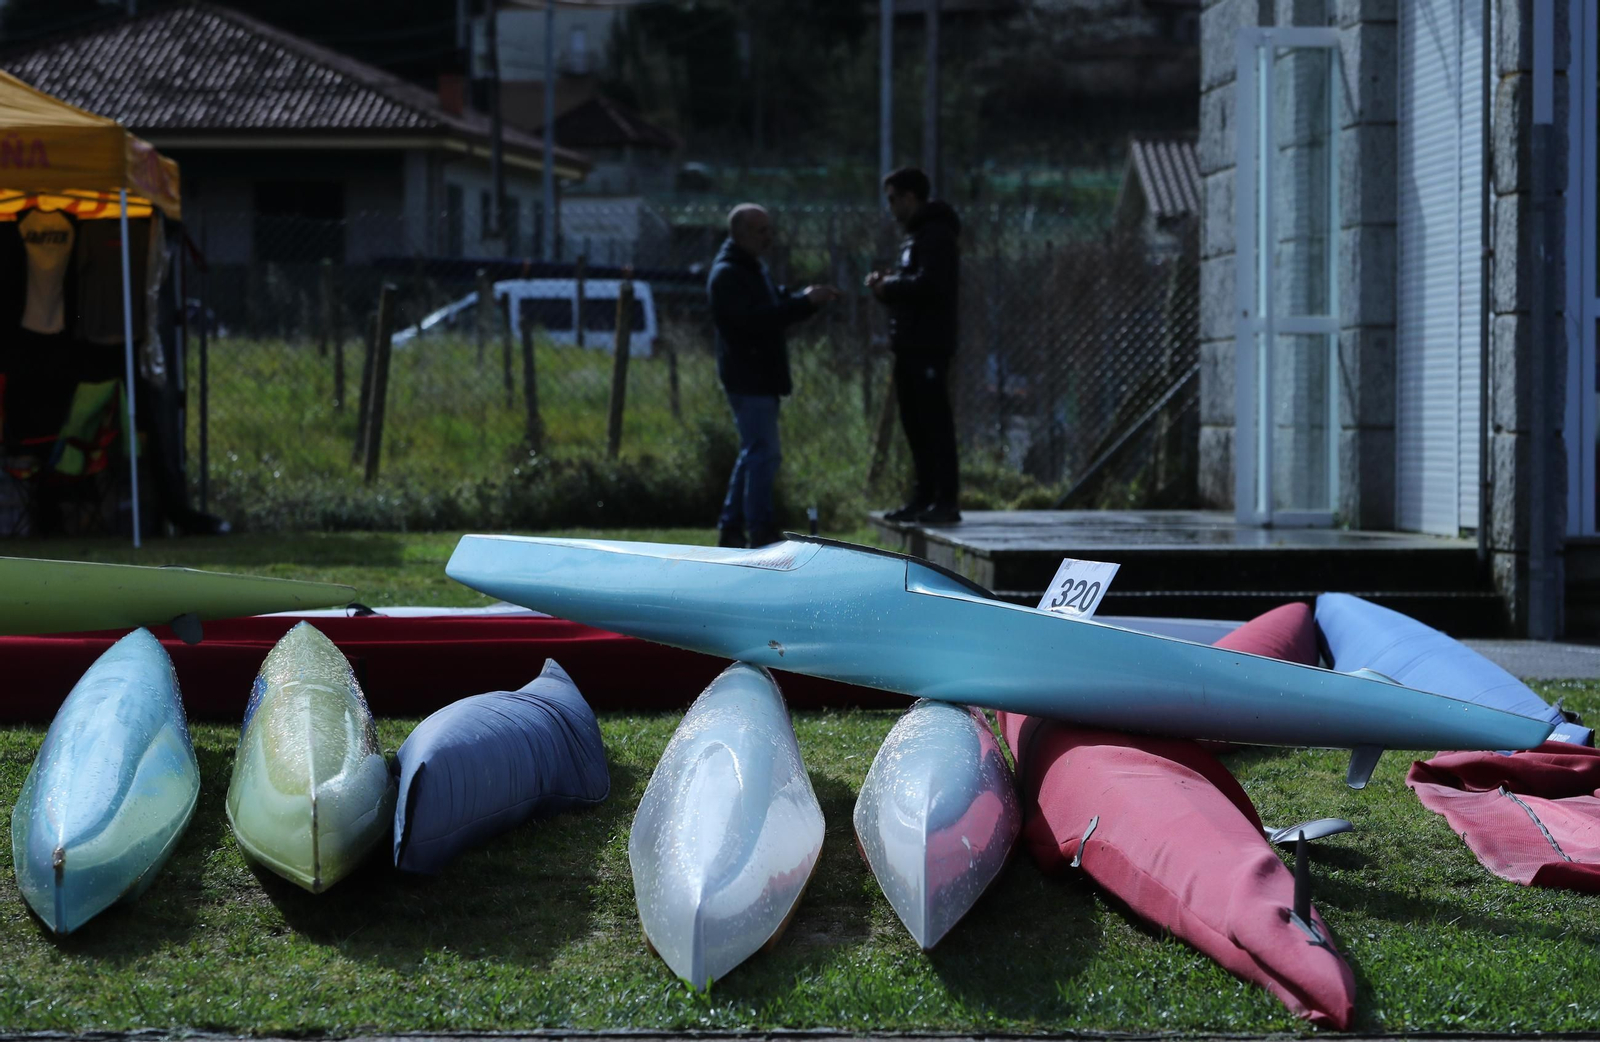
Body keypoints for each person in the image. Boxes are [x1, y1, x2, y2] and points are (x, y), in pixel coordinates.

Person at [708, 204, 839, 548]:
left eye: (769, 229)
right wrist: (802, 304)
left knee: (753, 452)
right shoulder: (728, 274)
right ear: (740, 234)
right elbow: (756, 320)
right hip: (748, 377)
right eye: (761, 230)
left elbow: (771, 302)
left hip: (760, 376)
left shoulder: (751, 268)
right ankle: (760, 529)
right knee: (764, 453)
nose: (769, 237)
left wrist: (803, 299)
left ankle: (731, 528)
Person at [868, 167, 963, 524]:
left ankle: (945, 499)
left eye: (894, 199)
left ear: (911, 197)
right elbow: (913, 283)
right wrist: (887, 286)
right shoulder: (916, 236)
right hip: (909, 344)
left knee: (934, 422)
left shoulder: (937, 235)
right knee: (915, 424)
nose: (891, 207)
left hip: (929, 344)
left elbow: (932, 284)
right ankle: (923, 497)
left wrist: (891, 286)